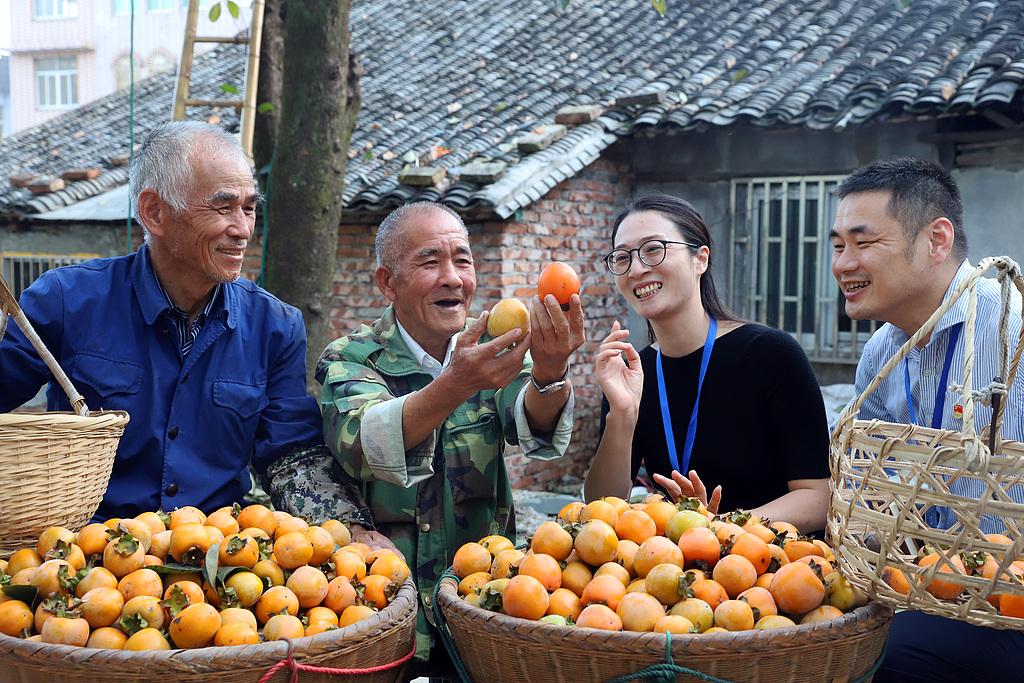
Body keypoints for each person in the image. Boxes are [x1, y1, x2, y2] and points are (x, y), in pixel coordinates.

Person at [0, 121, 374, 538]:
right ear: (154, 213)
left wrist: (351, 530)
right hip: (88, 559)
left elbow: (291, 453)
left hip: (221, 563)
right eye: (222, 207)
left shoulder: (275, 326)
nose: (244, 229)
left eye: (249, 207)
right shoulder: (66, 300)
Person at [317, 201, 585, 676]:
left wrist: (550, 372)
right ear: (387, 282)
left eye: (462, 260)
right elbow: (362, 445)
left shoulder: (492, 345)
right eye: (429, 261)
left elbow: (532, 421)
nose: (452, 277)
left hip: (482, 610)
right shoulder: (352, 358)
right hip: (380, 618)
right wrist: (455, 384)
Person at [830, 156, 1024, 682]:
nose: (843, 263)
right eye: (838, 245)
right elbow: (876, 493)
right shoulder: (881, 352)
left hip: (1006, 605)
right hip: (921, 585)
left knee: (894, 659)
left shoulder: (1013, 331)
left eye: (863, 243)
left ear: (937, 240)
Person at [583, 192, 830, 533]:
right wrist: (622, 415)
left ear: (700, 259)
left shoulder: (770, 354)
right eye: (622, 258)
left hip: (772, 570)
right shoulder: (632, 372)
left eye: (653, 249)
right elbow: (601, 507)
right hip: (676, 572)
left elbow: (817, 498)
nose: (637, 269)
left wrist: (720, 529)